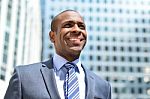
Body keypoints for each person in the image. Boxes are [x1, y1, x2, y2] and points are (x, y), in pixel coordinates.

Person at [4, 10, 111, 99]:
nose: (77, 30)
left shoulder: (103, 86)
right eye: (68, 25)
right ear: (52, 36)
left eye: (81, 27)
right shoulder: (24, 77)